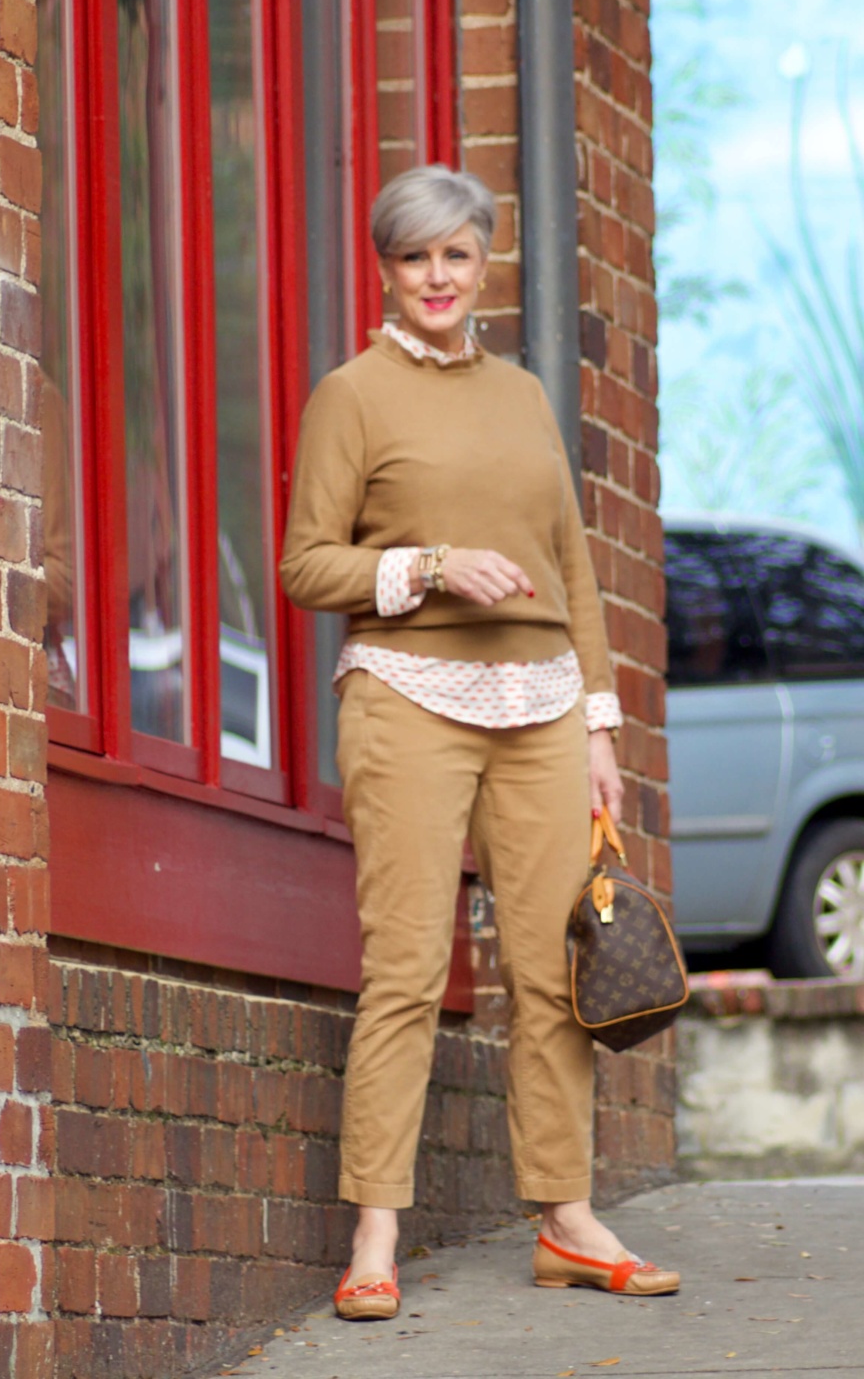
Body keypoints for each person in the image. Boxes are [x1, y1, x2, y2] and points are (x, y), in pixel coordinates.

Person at [278, 164, 680, 1320]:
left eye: (456, 253)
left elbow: (574, 566)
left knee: (554, 973)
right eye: (415, 258)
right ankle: (375, 1233)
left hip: (545, 705)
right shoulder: (351, 395)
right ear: (387, 271)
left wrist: (599, 723)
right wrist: (432, 566)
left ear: (483, 259)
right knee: (405, 971)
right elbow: (310, 563)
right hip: (407, 696)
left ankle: (565, 1218)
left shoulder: (524, 394)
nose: (437, 276)